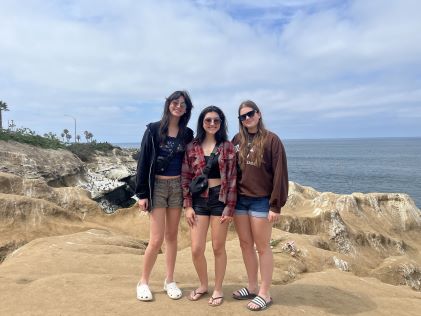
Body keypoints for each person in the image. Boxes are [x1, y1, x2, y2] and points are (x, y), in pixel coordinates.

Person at [134, 90, 194, 301]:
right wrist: (142, 193)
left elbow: (191, 162)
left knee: (172, 237)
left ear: (187, 109)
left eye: (183, 104)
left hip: (177, 186)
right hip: (157, 186)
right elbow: (143, 161)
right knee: (156, 239)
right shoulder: (153, 129)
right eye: (175, 102)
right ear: (168, 104)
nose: (178, 106)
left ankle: (170, 280)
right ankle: (143, 282)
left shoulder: (187, 134)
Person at [231, 100, 288, 311]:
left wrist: (275, 206)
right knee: (245, 245)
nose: (247, 118)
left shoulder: (272, 140)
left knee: (262, 247)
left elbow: (280, 173)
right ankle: (252, 286)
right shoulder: (237, 140)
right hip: (239, 201)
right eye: (243, 117)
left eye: (250, 114)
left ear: (259, 113)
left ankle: (265, 293)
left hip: (261, 200)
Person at [181, 106, 237, 307]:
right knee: (196, 249)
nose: (212, 124)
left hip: (219, 199)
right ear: (202, 123)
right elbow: (186, 177)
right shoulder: (191, 146)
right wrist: (187, 206)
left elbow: (232, 179)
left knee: (218, 247)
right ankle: (203, 285)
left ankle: (218, 288)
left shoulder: (227, 147)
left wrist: (229, 208)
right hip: (198, 201)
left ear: (221, 123)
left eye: (216, 120)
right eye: (208, 120)